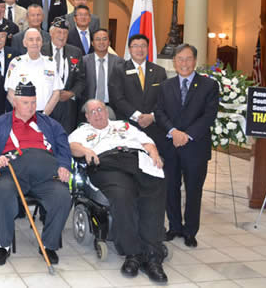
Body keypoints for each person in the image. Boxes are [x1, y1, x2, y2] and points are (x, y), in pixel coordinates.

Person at [69, 99, 168, 282]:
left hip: (135, 159)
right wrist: (85, 150)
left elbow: (146, 141)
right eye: (93, 112)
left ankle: (153, 257)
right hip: (106, 164)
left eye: (100, 109)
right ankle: (133, 254)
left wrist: (153, 153)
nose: (98, 114)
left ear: (107, 112)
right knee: (122, 196)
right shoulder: (83, 131)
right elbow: (72, 146)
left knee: (155, 187)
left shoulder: (123, 125)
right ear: (87, 116)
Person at [0, 81, 72, 266]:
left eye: (33, 103)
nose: (30, 107)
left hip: (45, 176)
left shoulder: (49, 123)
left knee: (63, 196)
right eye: (25, 103)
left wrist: (63, 166)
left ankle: (48, 245)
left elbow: (63, 148)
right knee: (4, 192)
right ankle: (3, 245)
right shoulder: (1, 123)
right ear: (15, 102)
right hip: (13, 174)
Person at [154, 44, 219, 248]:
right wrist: (173, 132)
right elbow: (159, 112)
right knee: (170, 188)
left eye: (188, 59)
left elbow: (209, 115)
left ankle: (190, 231)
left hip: (195, 147)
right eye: (180, 59)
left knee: (193, 191)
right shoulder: (165, 86)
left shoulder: (209, 86)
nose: (184, 63)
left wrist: (187, 135)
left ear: (195, 61)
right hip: (170, 145)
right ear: (174, 62)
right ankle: (174, 227)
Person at [109, 34, 167, 147]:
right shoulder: (119, 70)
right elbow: (117, 98)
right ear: (129, 49)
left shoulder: (159, 71)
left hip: (154, 125)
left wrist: (151, 116)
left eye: (143, 46)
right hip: (128, 125)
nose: (139, 49)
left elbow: (164, 98)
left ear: (148, 48)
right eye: (135, 46)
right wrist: (138, 116)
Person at [4, 29, 62, 115]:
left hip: (46, 114)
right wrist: (23, 112)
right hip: (22, 115)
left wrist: (44, 115)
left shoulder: (50, 63)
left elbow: (56, 92)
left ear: (42, 42)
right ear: (24, 43)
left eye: (38, 39)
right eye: (31, 39)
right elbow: (10, 93)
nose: (35, 43)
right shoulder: (16, 63)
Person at [44, 17, 86, 134]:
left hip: (67, 105)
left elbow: (81, 79)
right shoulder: (41, 51)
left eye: (65, 33)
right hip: (46, 103)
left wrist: (71, 93)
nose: (62, 36)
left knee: (66, 138)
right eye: (59, 32)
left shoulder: (76, 52)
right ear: (51, 33)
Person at [82, 29, 123, 119]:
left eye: (104, 39)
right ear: (92, 43)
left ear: (109, 42)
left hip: (112, 107)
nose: (101, 42)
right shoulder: (83, 61)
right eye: (97, 39)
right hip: (89, 107)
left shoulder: (119, 62)